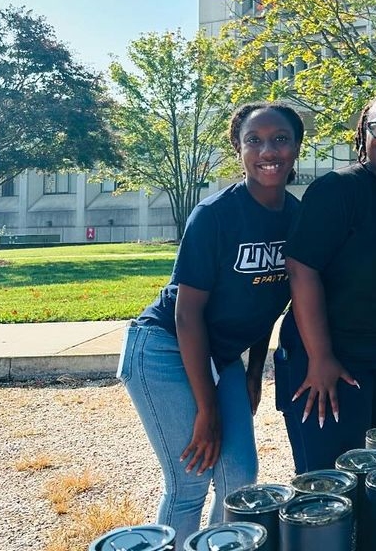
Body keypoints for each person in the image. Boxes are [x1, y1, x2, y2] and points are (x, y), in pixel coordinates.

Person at [118, 102, 304, 544]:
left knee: (241, 478)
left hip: (222, 357)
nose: (268, 150)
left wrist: (255, 373)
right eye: (254, 141)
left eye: (280, 139)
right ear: (238, 150)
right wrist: (207, 408)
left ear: (296, 146)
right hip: (164, 347)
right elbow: (187, 314)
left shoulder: (297, 218)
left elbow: (268, 303)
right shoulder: (215, 215)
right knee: (190, 481)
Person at [276, 92, 376, 472]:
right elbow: (301, 269)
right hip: (334, 359)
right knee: (330, 480)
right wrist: (321, 357)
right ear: (363, 133)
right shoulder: (336, 189)